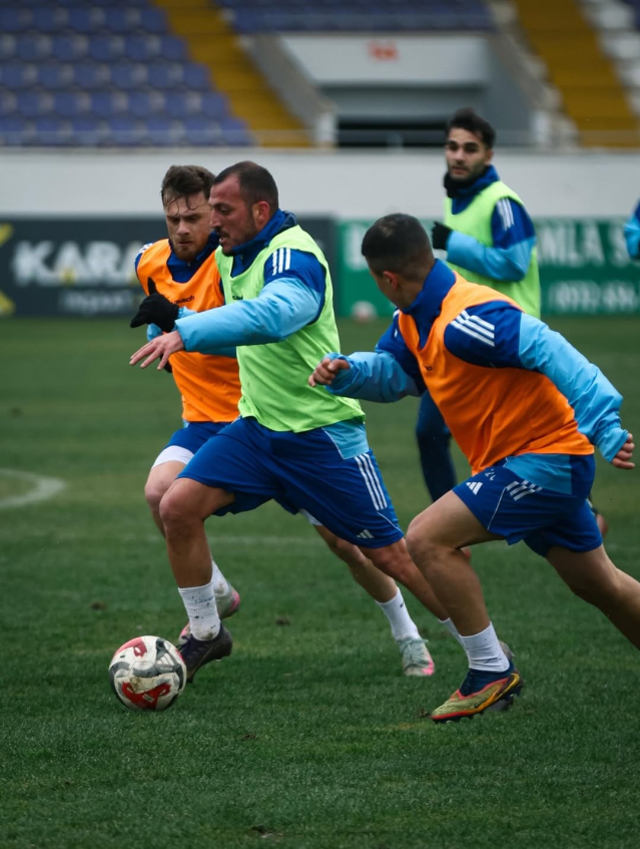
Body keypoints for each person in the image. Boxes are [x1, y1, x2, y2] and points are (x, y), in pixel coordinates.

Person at [130, 162, 452, 683]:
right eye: (180, 218)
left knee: (374, 553)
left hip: (315, 432)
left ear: (257, 211)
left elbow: (269, 320)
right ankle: (208, 626)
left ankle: (458, 639)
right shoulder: (202, 257)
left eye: (213, 213)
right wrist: (175, 327)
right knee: (170, 502)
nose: (199, 225)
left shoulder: (288, 254)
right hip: (250, 427)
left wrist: (186, 330)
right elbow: (236, 331)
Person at [309, 213, 637, 723]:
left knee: (426, 538)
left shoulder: (466, 318)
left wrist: (604, 424)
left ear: (387, 278)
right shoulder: (413, 318)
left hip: (546, 461)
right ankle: (491, 668)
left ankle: (490, 669)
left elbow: (550, 348)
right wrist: (350, 371)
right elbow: (397, 374)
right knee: (601, 586)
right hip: (531, 461)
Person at [416, 108, 541, 506]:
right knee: (429, 432)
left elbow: (515, 262)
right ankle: (445, 523)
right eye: (452, 146)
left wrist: (455, 245)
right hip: (461, 337)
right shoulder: (456, 199)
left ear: (488, 155)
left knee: (516, 447)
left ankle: (584, 514)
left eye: (470, 149)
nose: (458, 155)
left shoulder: (501, 202)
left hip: (504, 341)